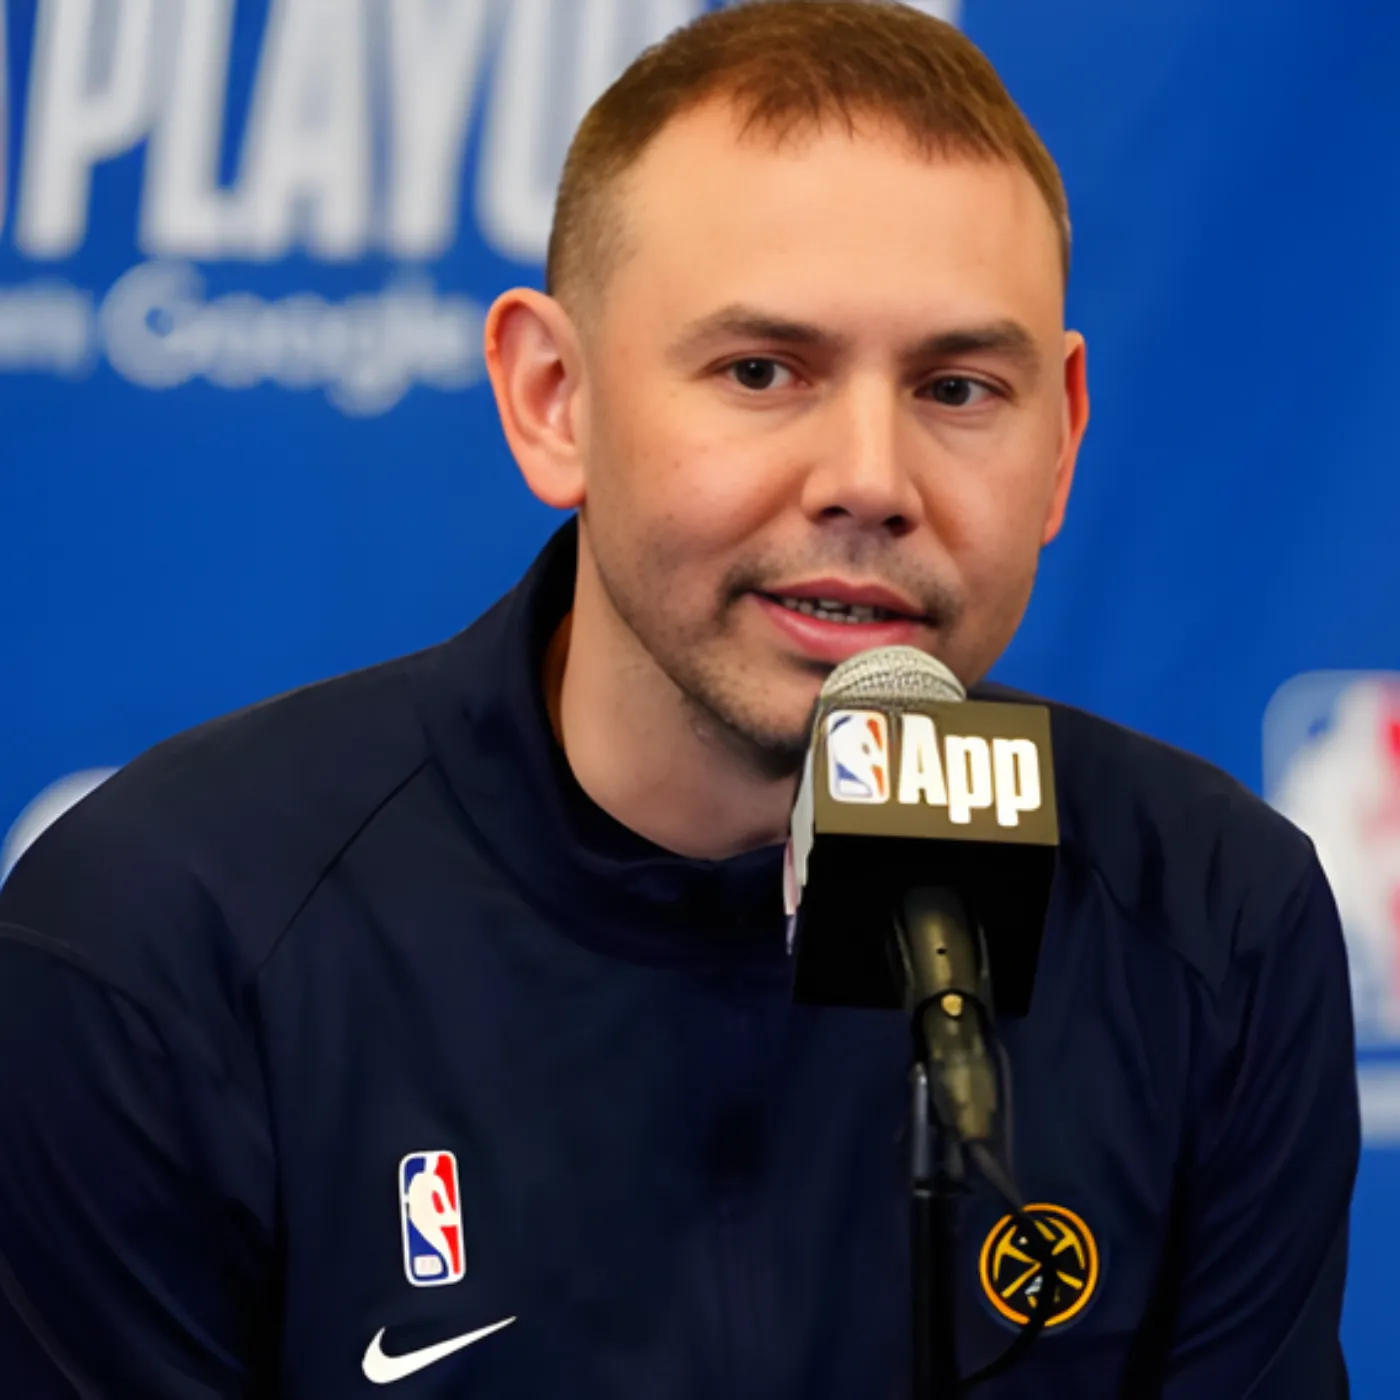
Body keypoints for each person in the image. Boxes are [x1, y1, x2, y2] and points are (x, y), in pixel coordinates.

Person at [0, 2, 1358, 1396]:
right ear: (555, 399)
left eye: (958, 388)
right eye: (762, 372)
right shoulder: (169, 937)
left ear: (1062, 439)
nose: (872, 479)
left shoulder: (1212, 919)